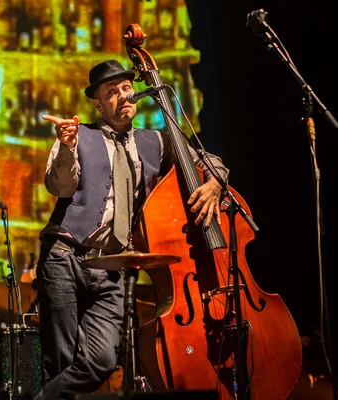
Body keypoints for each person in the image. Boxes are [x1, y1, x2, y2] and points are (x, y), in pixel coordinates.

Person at [33, 59, 228, 399]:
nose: (123, 96)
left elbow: (208, 159)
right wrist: (66, 146)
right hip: (65, 257)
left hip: (110, 268)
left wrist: (216, 180)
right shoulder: (80, 136)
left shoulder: (155, 141)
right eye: (112, 92)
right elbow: (60, 186)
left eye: (126, 88)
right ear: (98, 103)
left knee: (104, 360)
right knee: (61, 364)